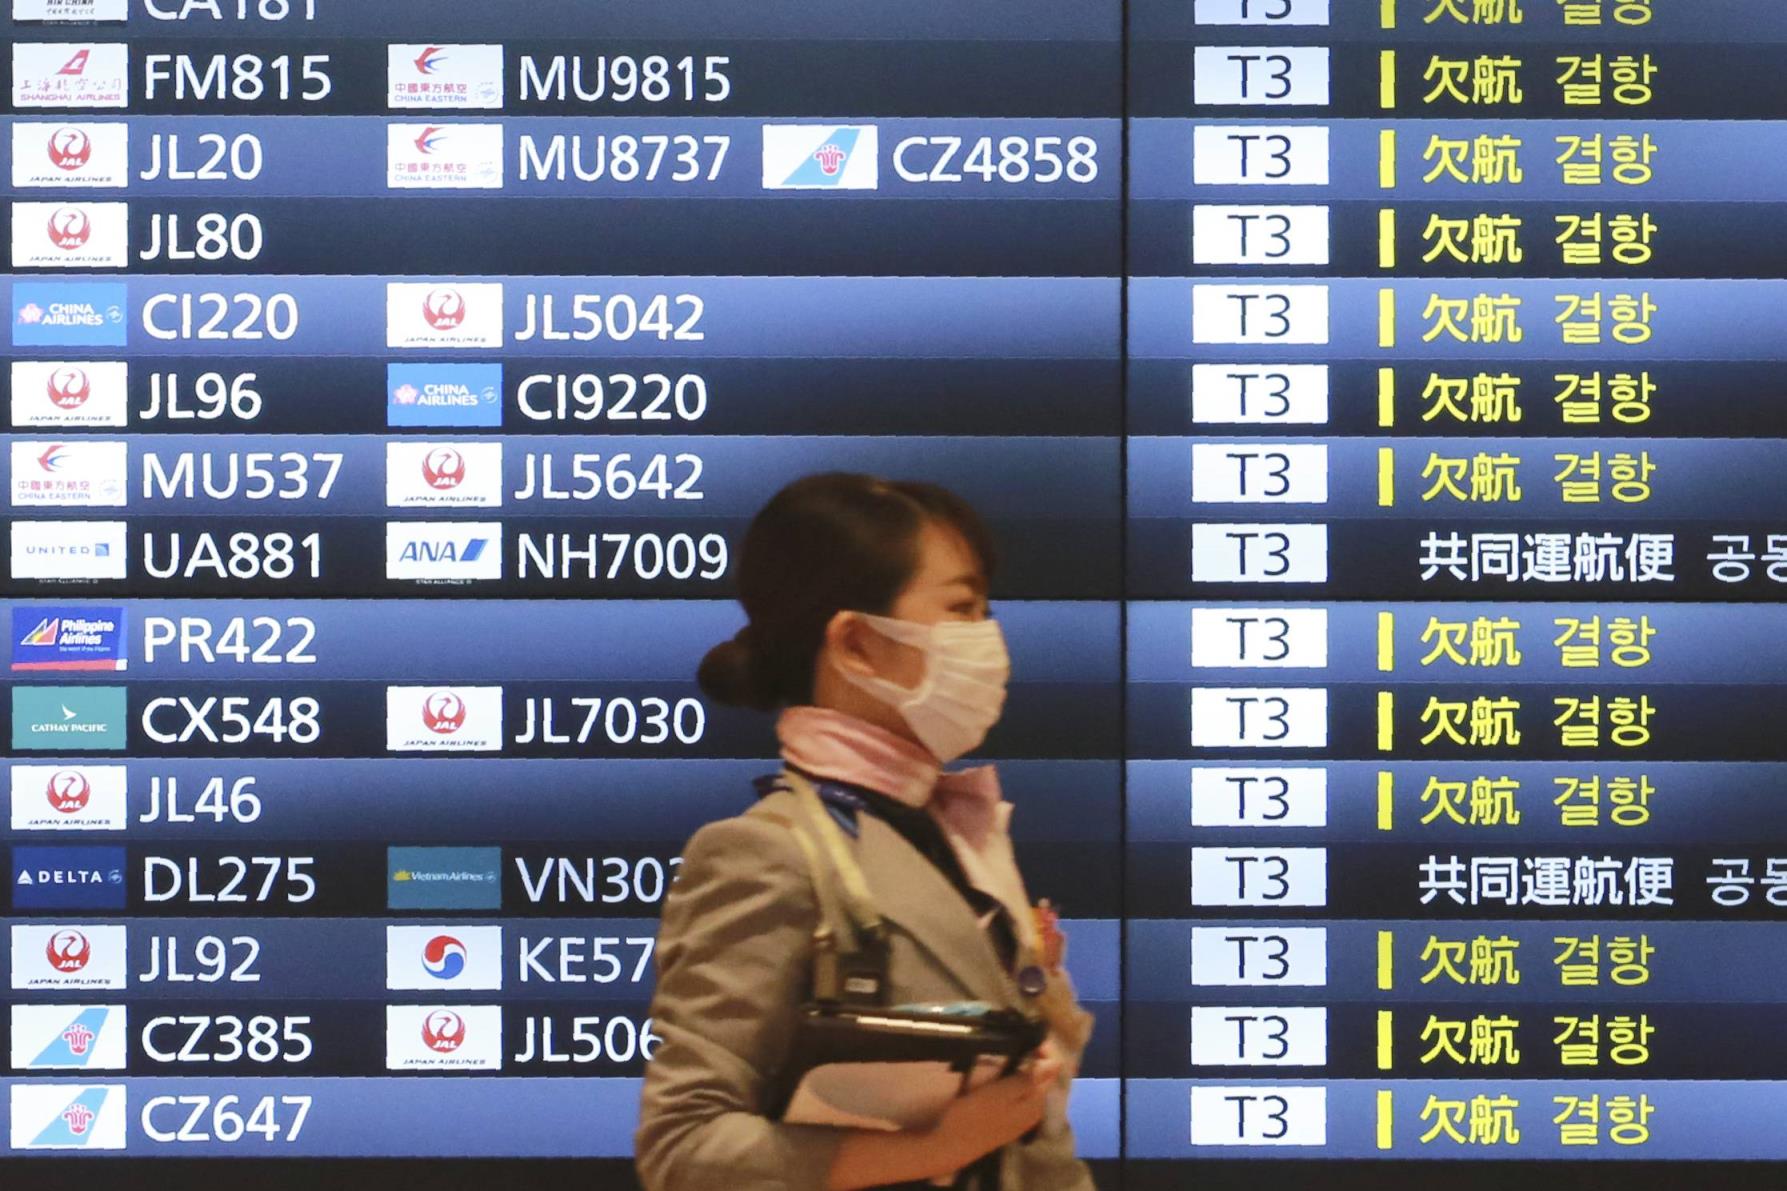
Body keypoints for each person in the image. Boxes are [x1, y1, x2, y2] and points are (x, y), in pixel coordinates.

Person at [635, 472, 1096, 1191]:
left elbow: (1027, 1126)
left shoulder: (952, 837)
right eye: (962, 608)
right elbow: (686, 1147)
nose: (987, 640)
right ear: (856, 644)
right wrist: (935, 1145)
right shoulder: (768, 851)